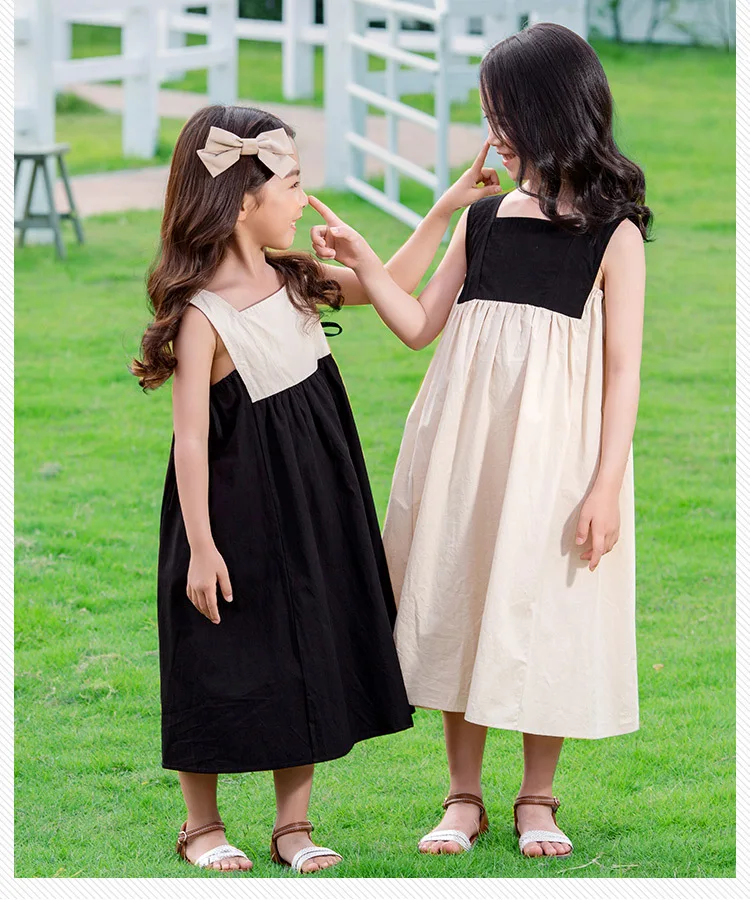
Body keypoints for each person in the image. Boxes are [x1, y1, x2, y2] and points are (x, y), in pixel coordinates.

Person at [309, 22, 650, 860]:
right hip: (464, 446)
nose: (491, 126)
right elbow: (417, 325)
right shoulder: (486, 219)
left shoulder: (613, 234)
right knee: (462, 594)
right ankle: (463, 797)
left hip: (558, 457)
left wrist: (605, 486)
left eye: (500, 110)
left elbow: (622, 371)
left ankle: (538, 798)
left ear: (547, 110)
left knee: (541, 608)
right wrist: (366, 254)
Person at [131, 104, 500, 874]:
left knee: (303, 648)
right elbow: (190, 439)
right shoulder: (202, 314)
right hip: (229, 516)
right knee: (215, 654)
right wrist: (201, 547)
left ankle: (292, 827)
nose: (304, 200)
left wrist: (444, 209)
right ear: (242, 202)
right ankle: (202, 826)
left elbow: (392, 285)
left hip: (310, 504)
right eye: (293, 184)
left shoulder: (294, 278)